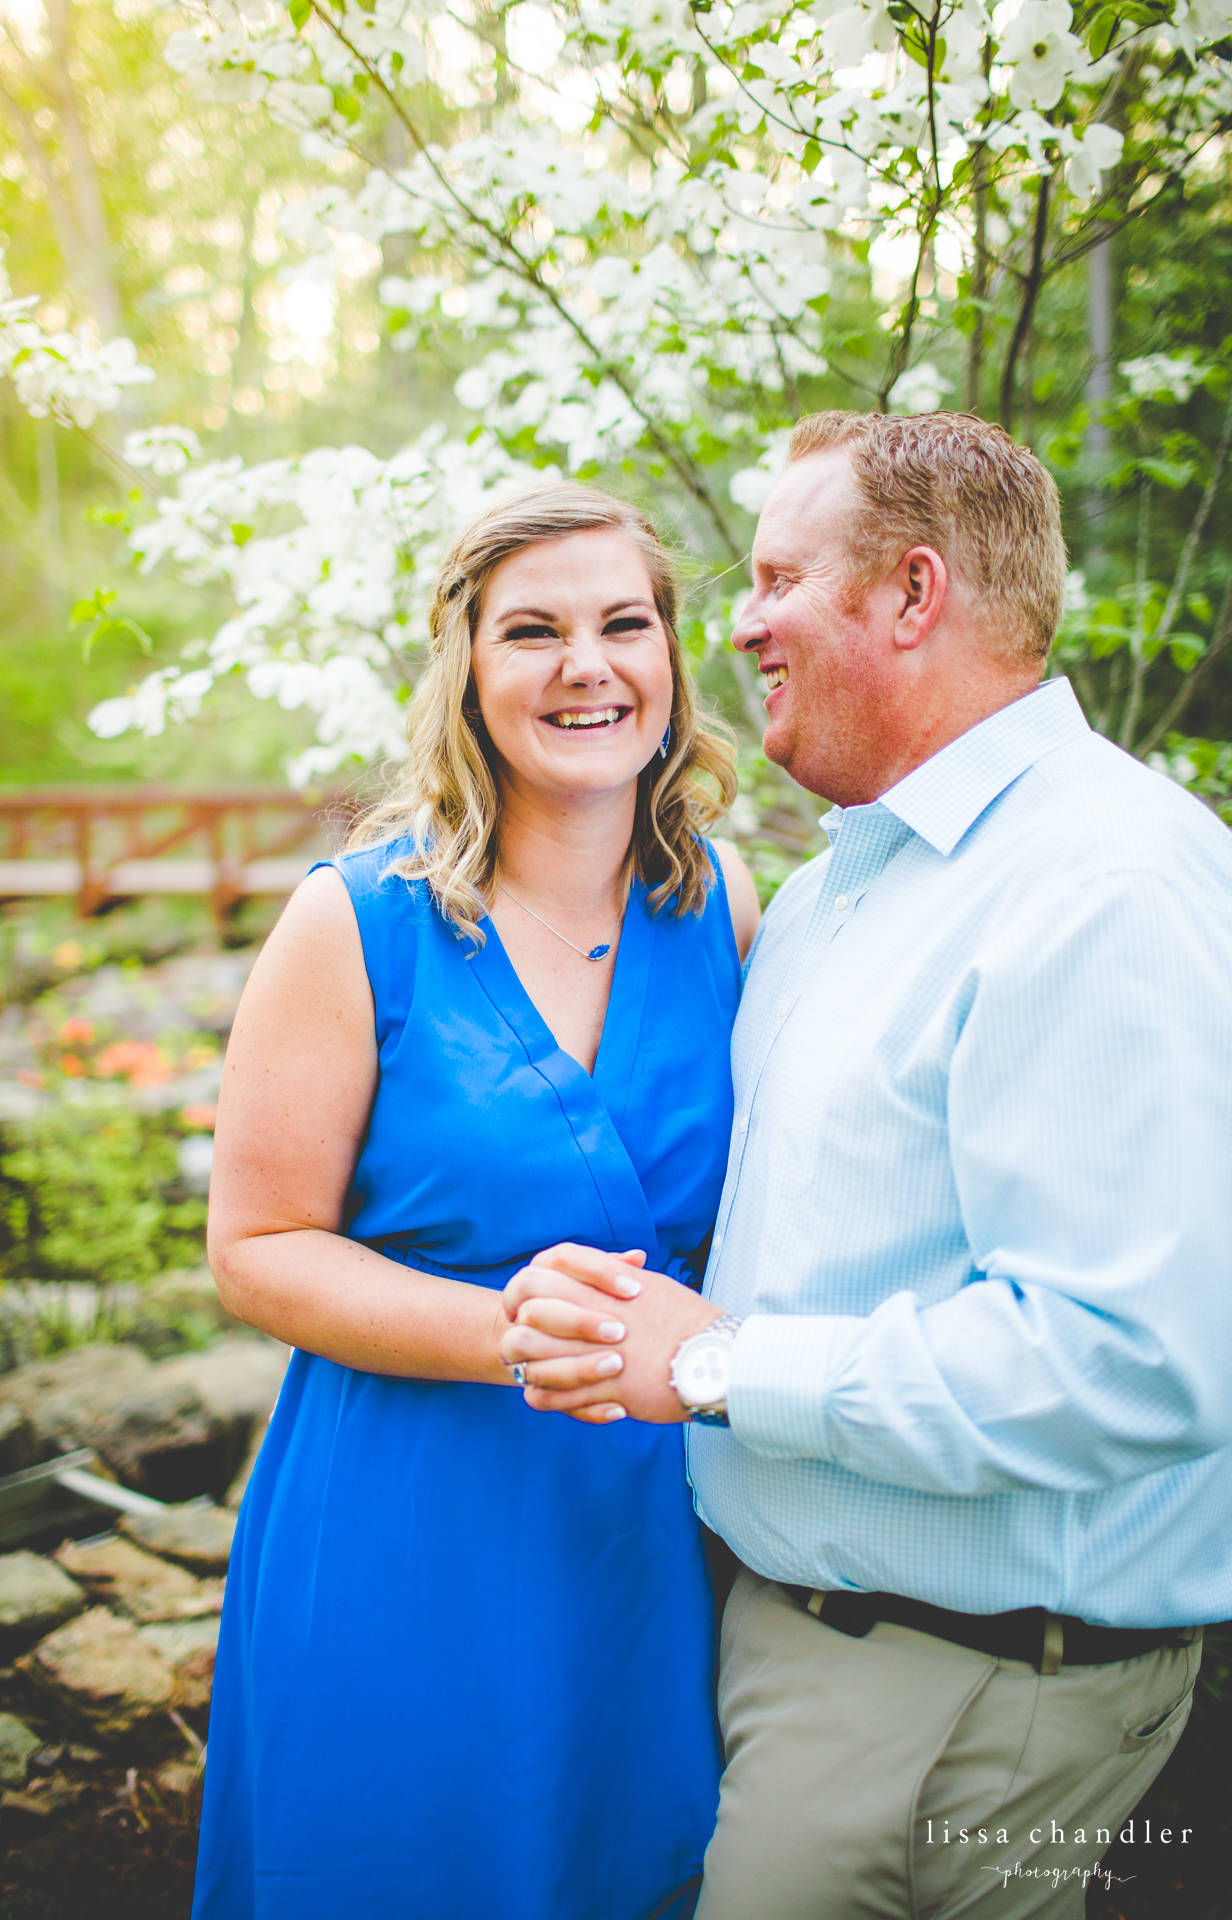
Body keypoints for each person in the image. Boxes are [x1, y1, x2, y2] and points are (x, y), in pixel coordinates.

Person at [501, 412, 1232, 1920]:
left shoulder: (1098, 887)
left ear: (911, 594)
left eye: (780, 579)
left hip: (952, 1686)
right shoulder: (839, 888)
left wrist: (715, 1365)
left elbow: (1130, 1360)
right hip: (797, 1643)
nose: (739, 623)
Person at [191, 482, 760, 1920]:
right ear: (466, 667)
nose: (587, 665)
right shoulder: (355, 920)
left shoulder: (724, 906)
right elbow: (256, 1249)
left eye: (624, 624)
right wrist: (507, 1332)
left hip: (651, 1533)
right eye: (533, 631)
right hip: (407, 1518)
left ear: (670, 656)